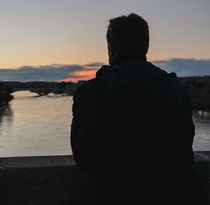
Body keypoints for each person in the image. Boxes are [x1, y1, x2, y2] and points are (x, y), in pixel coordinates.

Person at [71, 13, 203, 204]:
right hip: (181, 194)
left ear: (111, 48)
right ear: (146, 45)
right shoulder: (176, 88)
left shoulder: (91, 93)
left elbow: (83, 157)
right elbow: (185, 139)